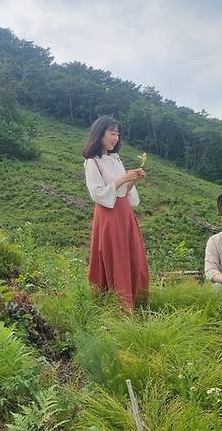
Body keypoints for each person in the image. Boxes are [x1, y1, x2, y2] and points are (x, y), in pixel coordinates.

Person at [83, 116, 149, 311]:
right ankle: (120, 306)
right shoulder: (92, 162)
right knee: (116, 257)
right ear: (100, 133)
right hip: (108, 215)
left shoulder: (115, 159)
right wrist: (123, 179)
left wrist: (133, 180)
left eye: (118, 134)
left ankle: (138, 301)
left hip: (124, 212)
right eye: (112, 133)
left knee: (132, 255)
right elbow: (98, 193)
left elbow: (124, 192)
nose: (116, 138)